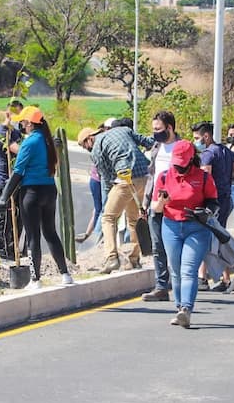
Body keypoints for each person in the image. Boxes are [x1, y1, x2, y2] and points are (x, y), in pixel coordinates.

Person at [0, 106, 73, 289]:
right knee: (50, 232)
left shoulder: (30, 142)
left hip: (31, 192)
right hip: (49, 190)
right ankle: (65, 274)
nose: (21, 125)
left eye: (23, 122)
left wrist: (4, 197)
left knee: (33, 236)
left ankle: (35, 279)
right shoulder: (48, 140)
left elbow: (17, 173)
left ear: (30, 124)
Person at [153, 139, 218, 328]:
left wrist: (205, 211)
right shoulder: (164, 177)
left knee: (188, 269)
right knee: (175, 269)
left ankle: (186, 310)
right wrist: (161, 202)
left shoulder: (203, 177)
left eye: (182, 164)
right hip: (171, 226)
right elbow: (155, 208)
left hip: (196, 228)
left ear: (191, 160)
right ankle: (179, 307)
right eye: (176, 163)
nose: (178, 167)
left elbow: (213, 202)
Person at [78, 121, 151, 274]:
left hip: (125, 179)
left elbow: (106, 178)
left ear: (90, 138)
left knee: (108, 218)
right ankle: (134, 259)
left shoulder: (96, 150)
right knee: (133, 220)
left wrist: (108, 200)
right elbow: (148, 142)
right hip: (145, 177)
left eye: (86, 147)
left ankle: (112, 258)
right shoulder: (123, 130)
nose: (88, 150)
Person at [192, 121, 234, 291]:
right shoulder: (227, 152)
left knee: (204, 236)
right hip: (227, 201)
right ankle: (225, 279)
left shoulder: (208, 154)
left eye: (196, 138)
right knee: (219, 236)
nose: (195, 141)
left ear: (206, 136)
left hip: (212, 203)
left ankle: (203, 278)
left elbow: (205, 178)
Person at [141, 111, 181, 302]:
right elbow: (152, 175)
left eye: (158, 129)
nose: (155, 133)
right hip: (155, 203)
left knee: (174, 247)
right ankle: (161, 287)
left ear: (170, 128)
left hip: (175, 205)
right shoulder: (156, 147)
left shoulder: (182, 148)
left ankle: (181, 286)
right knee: (157, 246)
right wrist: (146, 201)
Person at [0, 105, 23, 259]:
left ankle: (14, 249)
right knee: (4, 217)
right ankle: (3, 252)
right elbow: (19, 150)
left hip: (16, 181)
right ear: (8, 114)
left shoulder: (17, 132)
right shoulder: (1, 133)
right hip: (3, 181)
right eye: (16, 115)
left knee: (18, 217)